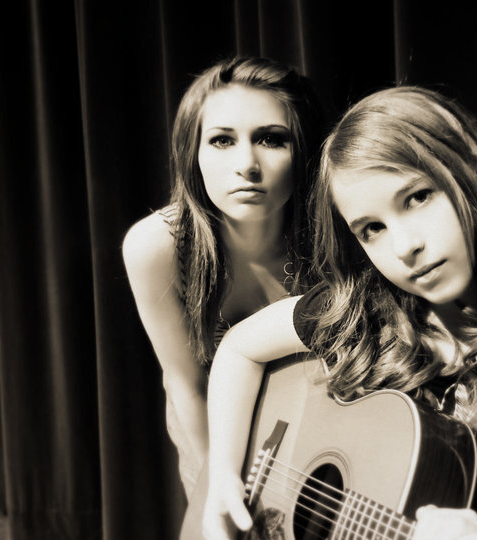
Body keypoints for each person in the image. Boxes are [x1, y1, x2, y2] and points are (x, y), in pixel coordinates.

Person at [202, 86, 477, 539]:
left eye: (417, 198)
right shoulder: (363, 313)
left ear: (469, 171)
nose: (404, 246)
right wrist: (222, 477)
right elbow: (237, 348)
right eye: (372, 229)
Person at [122, 56, 326, 498]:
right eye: (222, 140)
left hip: (310, 429)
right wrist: (216, 483)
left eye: (271, 139)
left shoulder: (331, 236)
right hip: (208, 428)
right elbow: (187, 385)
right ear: (192, 153)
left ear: (303, 150)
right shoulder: (156, 247)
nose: (247, 164)